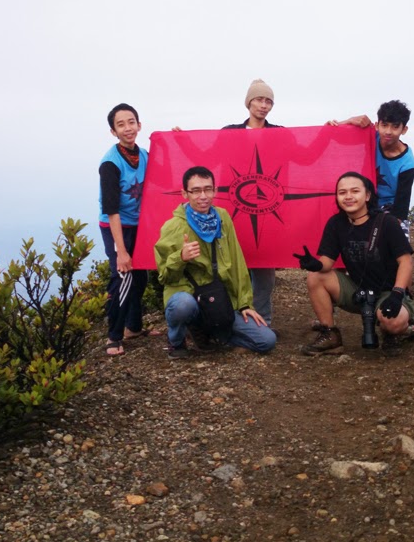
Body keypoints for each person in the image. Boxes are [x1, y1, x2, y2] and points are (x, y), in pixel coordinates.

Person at [154, 166, 277, 360]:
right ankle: (176, 341)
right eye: (195, 190)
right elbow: (164, 277)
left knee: (267, 340)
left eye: (208, 189)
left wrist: (245, 304)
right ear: (184, 193)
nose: (203, 196)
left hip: (220, 298)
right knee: (182, 305)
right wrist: (180, 258)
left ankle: (216, 336)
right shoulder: (173, 226)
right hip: (191, 297)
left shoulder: (223, 217)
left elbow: (236, 262)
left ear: (215, 190)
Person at [294, 171, 414, 356]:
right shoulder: (336, 223)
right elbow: (327, 262)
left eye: (354, 191)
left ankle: (399, 328)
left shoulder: (387, 222)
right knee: (316, 277)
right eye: (342, 192)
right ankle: (330, 335)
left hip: (389, 292)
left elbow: (406, 261)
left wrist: (397, 294)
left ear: (367, 195)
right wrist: (315, 265)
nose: (348, 197)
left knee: (393, 322)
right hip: (359, 291)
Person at [221, 78, 281, 326]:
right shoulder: (229, 132)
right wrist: (180, 138)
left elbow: (307, 154)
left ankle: (263, 320)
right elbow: (206, 154)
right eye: (259, 99)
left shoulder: (279, 133)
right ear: (248, 102)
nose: (263, 105)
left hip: (269, 208)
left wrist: (337, 127)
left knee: (265, 271)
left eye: (268, 101)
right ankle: (235, 319)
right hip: (235, 208)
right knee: (233, 267)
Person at [98, 103, 153, 357]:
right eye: (121, 124)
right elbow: (112, 210)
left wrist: (178, 138)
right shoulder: (110, 163)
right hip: (115, 226)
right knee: (122, 277)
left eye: (131, 122)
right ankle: (113, 336)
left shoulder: (144, 155)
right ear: (113, 131)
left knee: (140, 277)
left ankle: (134, 327)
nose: (128, 128)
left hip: (139, 224)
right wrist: (121, 250)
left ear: (139, 125)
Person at [330, 99, 414, 238]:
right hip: (362, 200)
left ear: (404, 129)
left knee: (397, 245)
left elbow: (401, 207)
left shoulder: (407, 163)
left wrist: (384, 232)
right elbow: (335, 135)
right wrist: (349, 120)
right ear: (376, 125)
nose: (388, 131)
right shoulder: (370, 137)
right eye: (384, 125)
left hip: (389, 208)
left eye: (395, 127)